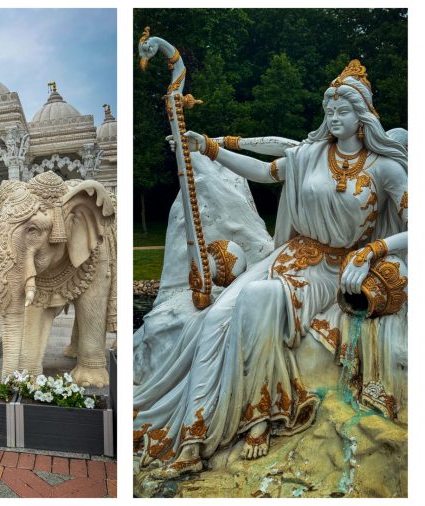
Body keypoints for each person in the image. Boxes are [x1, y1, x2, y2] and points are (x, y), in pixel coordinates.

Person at [133, 60, 407, 478]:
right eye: (329, 110)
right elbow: (264, 171)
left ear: (363, 115)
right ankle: (192, 436)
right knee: (216, 318)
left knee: (258, 301)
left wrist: (373, 251)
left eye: (343, 111)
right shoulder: (311, 156)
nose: (334, 117)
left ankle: (258, 415)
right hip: (289, 256)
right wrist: (208, 148)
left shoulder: (385, 168)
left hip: (332, 269)